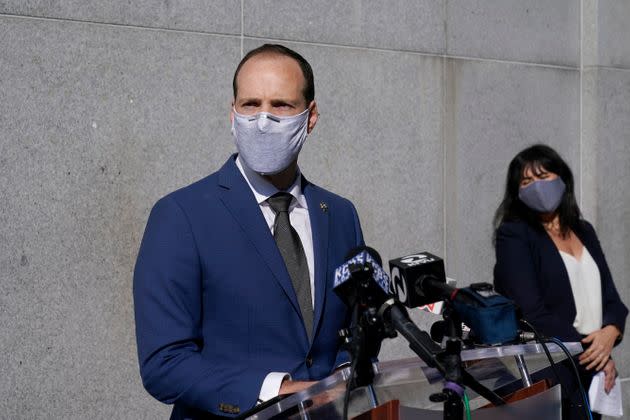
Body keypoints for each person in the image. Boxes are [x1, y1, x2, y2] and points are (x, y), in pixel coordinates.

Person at [133, 44, 364, 419]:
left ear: (311, 116)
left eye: (282, 105)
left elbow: (351, 335)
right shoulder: (180, 215)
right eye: (251, 104)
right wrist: (279, 391)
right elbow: (165, 362)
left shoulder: (339, 215)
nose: (263, 119)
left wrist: (345, 381)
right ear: (232, 112)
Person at [493, 144, 627, 419]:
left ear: (562, 178)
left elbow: (611, 299)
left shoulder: (583, 230)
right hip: (550, 373)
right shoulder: (514, 234)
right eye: (526, 182)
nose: (536, 187)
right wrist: (596, 353)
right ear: (517, 192)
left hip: (589, 370)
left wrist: (611, 331)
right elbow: (533, 312)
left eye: (543, 177)